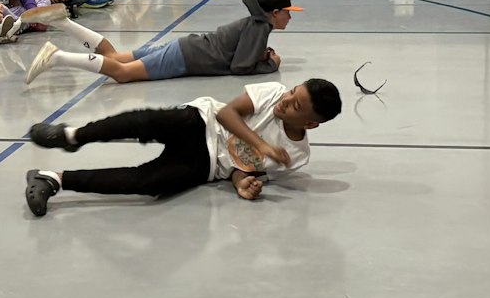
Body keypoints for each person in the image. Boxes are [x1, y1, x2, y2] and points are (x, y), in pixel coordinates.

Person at [24, 78, 341, 215]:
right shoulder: (272, 92)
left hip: (207, 167)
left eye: (297, 106)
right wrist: (261, 143)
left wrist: (243, 184)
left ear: (311, 123)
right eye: (292, 94)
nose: (286, 102)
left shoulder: (298, 155)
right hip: (202, 121)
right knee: (144, 122)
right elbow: (227, 113)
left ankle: (53, 178)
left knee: (149, 184)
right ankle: (73, 136)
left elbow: (244, 167)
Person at [29, 0, 295, 87]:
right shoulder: (259, 28)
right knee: (122, 73)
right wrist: (271, 63)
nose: (290, 18)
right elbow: (240, 67)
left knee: (114, 57)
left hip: (186, 46)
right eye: (287, 13)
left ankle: (62, 22)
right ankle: (57, 57)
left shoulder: (257, 23)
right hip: (186, 58)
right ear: (273, 13)